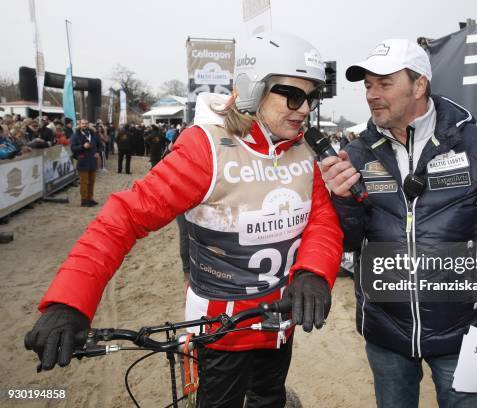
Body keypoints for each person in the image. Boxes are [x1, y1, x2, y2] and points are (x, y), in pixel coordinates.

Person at [24, 32, 343, 408]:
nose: (304, 108)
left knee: (269, 399)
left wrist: (313, 273)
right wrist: (69, 303)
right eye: (293, 95)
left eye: (311, 97)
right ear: (252, 89)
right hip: (222, 332)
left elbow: (322, 218)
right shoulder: (205, 147)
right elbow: (123, 217)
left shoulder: (303, 150)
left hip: (279, 321)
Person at [320, 39, 477, 408]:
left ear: (419, 85)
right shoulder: (357, 153)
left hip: (467, 333)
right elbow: (349, 241)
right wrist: (342, 200)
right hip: (386, 332)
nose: (372, 95)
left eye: (384, 83)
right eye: (367, 85)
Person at [70, 119, 101, 207]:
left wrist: (98, 152)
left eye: (86, 124)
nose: (84, 125)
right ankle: (84, 200)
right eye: (82, 124)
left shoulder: (93, 134)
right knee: (84, 182)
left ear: (88, 125)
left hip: (93, 161)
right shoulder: (75, 135)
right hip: (83, 161)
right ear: (79, 125)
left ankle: (90, 198)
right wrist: (82, 146)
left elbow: (100, 145)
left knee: (92, 181)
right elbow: (73, 148)